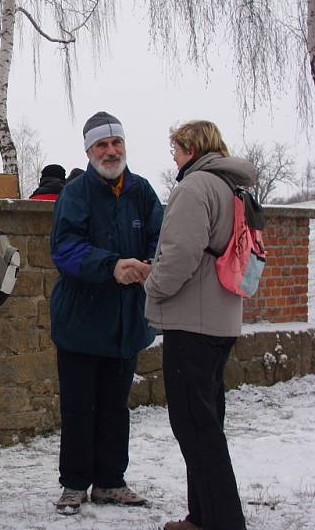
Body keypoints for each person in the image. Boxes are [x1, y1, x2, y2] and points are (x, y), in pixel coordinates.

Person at [49, 111, 163, 515]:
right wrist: (112, 265)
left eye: (116, 144)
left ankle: (111, 481)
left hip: (125, 322)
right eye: (102, 145)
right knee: (79, 407)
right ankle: (75, 484)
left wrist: (150, 263)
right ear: (88, 150)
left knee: (116, 407)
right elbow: (64, 249)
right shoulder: (76, 193)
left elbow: (160, 238)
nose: (111, 151)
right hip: (80, 321)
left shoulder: (143, 191)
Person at [144, 121, 254, 530]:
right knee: (206, 424)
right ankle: (202, 515)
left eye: (176, 148)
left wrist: (152, 285)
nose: (173, 155)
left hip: (193, 321)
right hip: (222, 319)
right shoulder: (233, 188)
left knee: (196, 430)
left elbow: (178, 256)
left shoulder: (195, 188)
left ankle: (223, 521)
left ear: (191, 147)